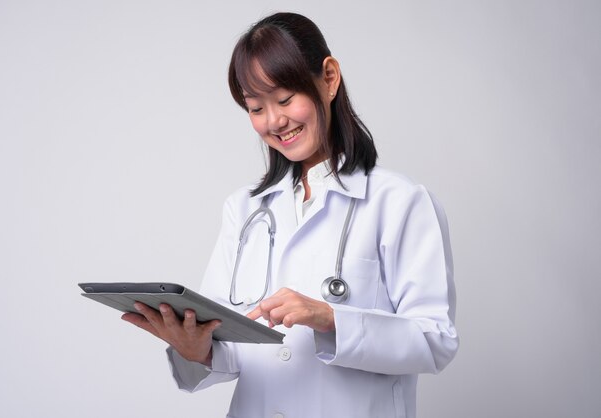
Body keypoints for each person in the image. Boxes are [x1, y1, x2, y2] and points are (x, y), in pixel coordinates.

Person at [122, 12, 458, 418]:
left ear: (329, 78)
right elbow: (230, 344)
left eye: (284, 99)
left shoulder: (400, 202)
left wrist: (331, 318)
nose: (275, 121)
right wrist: (198, 348)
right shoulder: (245, 209)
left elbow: (434, 341)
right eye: (255, 108)